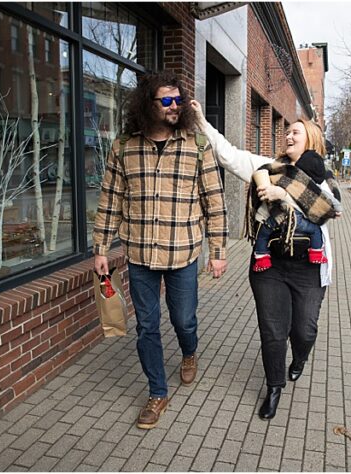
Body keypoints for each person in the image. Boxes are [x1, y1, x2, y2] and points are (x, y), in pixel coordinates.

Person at [92, 72, 228, 430]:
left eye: (177, 100)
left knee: (184, 319)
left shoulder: (197, 145)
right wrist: (101, 247)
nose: (173, 107)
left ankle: (188, 352)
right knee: (147, 326)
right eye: (165, 101)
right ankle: (156, 392)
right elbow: (111, 200)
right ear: (146, 104)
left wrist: (218, 250)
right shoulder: (123, 147)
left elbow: (214, 202)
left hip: (183, 253)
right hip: (139, 255)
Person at [190, 99, 341, 420]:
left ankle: (299, 359)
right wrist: (202, 122)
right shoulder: (268, 167)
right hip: (269, 263)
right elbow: (230, 156)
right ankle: (274, 387)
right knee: (273, 331)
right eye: (287, 132)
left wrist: (285, 195)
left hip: (310, 267)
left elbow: (330, 208)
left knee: (304, 329)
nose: (288, 136)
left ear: (311, 139)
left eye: (296, 132)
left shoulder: (322, 176)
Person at [251, 151, 343, 272]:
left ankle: (261, 256)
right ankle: (316, 253)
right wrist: (335, 211)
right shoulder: (317, 190)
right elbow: (335, 204)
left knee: (263, 233)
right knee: (315, 230)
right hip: (300, 222)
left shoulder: (286, 179)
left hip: (278, 217)